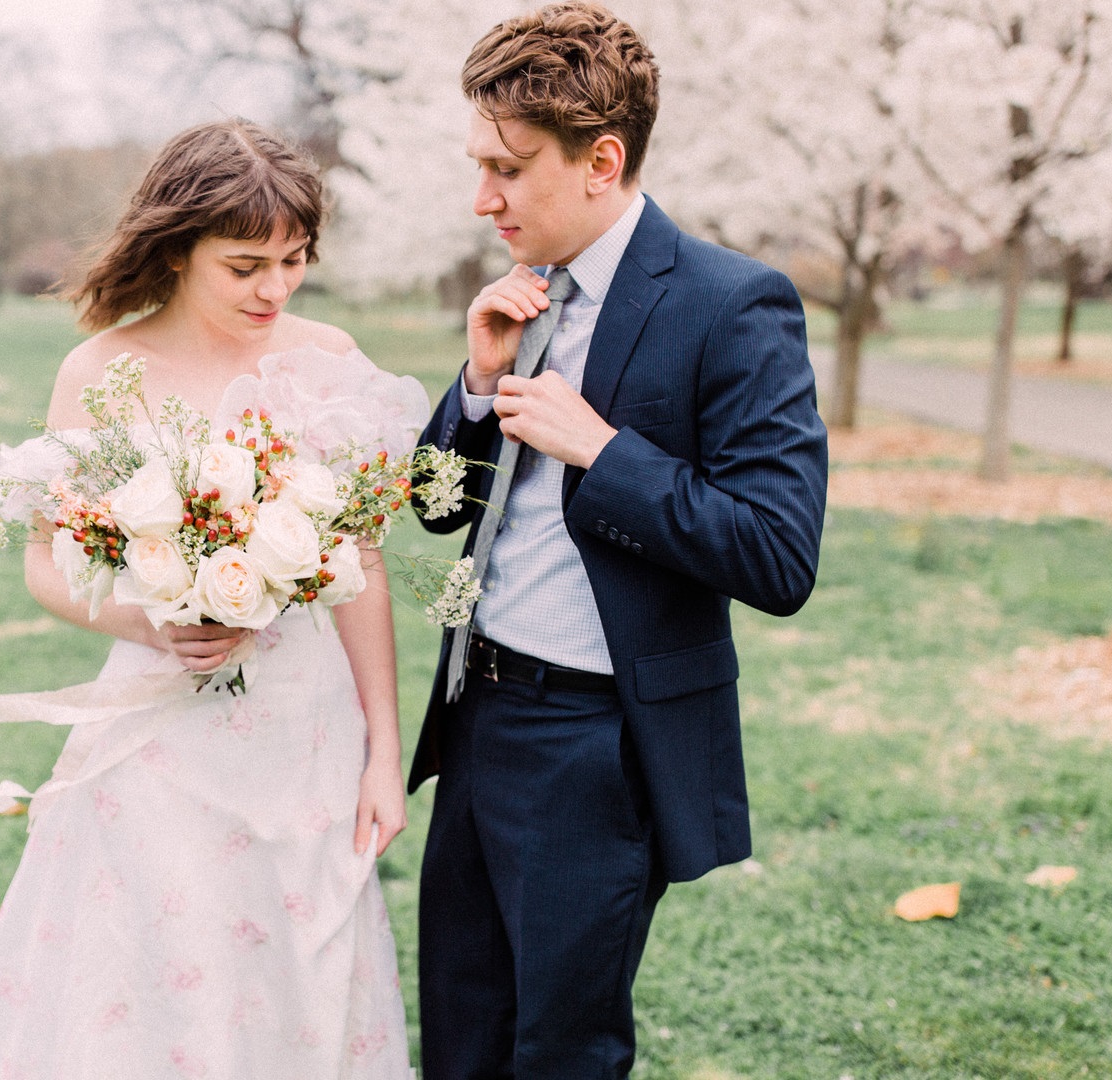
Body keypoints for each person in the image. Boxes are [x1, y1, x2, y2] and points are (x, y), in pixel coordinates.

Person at [0, 120, 417, 1078]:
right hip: (158, 743)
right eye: (245, 266)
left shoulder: (329, 359)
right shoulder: (102, 373)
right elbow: (45, 562)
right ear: (180, 248)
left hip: (305, 734)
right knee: (148, 979)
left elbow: (361, 562)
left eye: (294, 260)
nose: (275, 288)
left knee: (298, 970)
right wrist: (153, 619)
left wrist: (383, 751)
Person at [410, 5, 829, 1078]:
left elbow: (780, 557)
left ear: (602, 160)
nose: (482, 198)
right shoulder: (522, 295)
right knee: (461, 1037)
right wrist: (476, 384)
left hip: (595, 750)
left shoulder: (733, 305)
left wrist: (605, 452)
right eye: (478, 165)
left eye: (508, 168)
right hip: (476, 718)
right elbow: (434, 506)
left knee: (559, 1053)